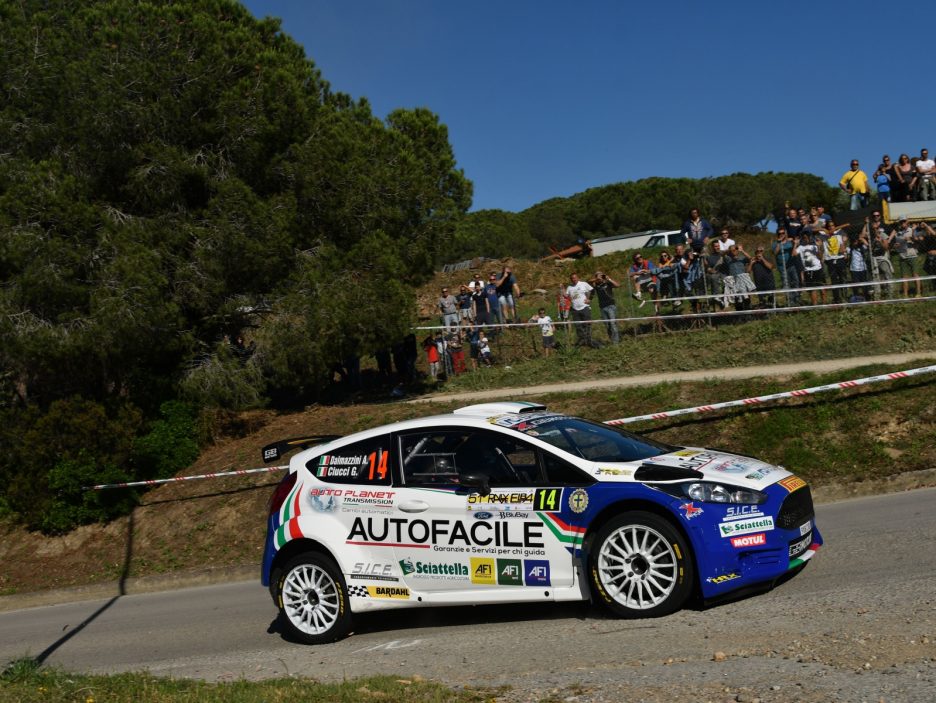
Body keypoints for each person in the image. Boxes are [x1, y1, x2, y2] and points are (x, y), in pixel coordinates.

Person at [887, 217, 922, 298]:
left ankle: (918, 293)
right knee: (904, 277)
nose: (903, 223)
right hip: (902, 256)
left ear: (907, 222)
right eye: (901, 222)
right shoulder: (897, 232)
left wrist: (910, 237)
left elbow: (916, 239)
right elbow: (893, 244)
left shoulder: (911, 230)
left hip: (912, 255)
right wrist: (895, 246)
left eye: (904, 221)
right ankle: (905, 295)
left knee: (915, 275)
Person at [864, 212, 893, 299]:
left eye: (876, 228)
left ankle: (890, 295)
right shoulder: (870, 236)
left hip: (882, 257)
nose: (875, 230)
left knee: (887, 274)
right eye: (873, 229)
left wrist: (880, 241)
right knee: (875, 276)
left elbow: (886, 247)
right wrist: (866, 224)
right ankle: (877, 296)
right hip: (874, 258)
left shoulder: (883, 235)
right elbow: (861, 236)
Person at [818, 219, 849, 303]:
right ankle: (837, 299)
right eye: (829, 226)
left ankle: (845, 297)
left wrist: (843, 248)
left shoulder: (839, 233)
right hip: (830, 260)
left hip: (840, 258)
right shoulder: (823, 236)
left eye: (833, 226)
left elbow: (847, 224)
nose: (831, 228)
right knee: (834, 280)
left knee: (843, 278)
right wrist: (823, 229)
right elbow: (812, 229)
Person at [721, 244, 756, 310]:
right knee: (737, 299)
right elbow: (722, 254)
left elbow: (751, 259)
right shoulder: (728, 259)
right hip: (734, 281)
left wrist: (742, 250)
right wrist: (729, 250)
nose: (734, 251)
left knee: (746, 297)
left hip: (743, 280)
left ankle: (748, 311)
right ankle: (739, 313)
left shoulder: (742, 257)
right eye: (732, 250)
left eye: (735, 250)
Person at [565, 272, 595, 347]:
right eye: (572, 278)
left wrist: (589, 299)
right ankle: (582, 341)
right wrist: (562, 293)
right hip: (575, 309)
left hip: (584, 307)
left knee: (587, 324)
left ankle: (589, 340)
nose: (574, 279)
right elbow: (567, 296)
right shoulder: (569, 287)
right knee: (578, 326)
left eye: (575, 278)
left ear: (578, 278)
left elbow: (593, 290)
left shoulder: (583, 284)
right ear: (571, 279)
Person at [771, 227, 799, 304]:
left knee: (795, 282)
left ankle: (797, 299)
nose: (781, 235)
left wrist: (794, 243)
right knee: (786, 284)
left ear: (786, 233)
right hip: (782, 267)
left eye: (783, 233)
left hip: (791, 266)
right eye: (779, 233)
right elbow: (774, 253)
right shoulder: (775, 243)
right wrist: (779, 243)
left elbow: (795, 252)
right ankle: (790, 302)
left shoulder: (790, 242)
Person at [797, 231, 825, 305]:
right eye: (804, 238)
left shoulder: (814, 246)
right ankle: (815, 306)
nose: (805, 239)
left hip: (818, 269)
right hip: (808, 270)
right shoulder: (800, 247)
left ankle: (825, 304)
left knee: (822, 287)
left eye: (807, 237)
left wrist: (819, 247)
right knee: (812, 289)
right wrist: (795, 244)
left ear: (810, 237)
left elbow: (820, 257)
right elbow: (793, 254)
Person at [592, 270, 620, 343]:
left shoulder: (607, 282)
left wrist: (609, 279)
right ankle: (612, 339)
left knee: (613, 324)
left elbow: (617, 285)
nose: (601, 277)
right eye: (598, 275)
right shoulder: (596, 285)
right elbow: (588, 281)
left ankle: (616, 342)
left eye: (601, 275)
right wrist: (597, 279)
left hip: (611, 305)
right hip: (602, 307)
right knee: (607, 325)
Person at [847, 230, 871, 299]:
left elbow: (868, 246)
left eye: (856, 241)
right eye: (854, 241)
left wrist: (862, 239)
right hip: (854, 269)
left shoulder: (862, 247)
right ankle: (856, 297)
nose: (855, 243)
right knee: (856, 285)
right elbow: (843, 251)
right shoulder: (850, 248)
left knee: (865, 285)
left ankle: (867, 297)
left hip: (863, 268)